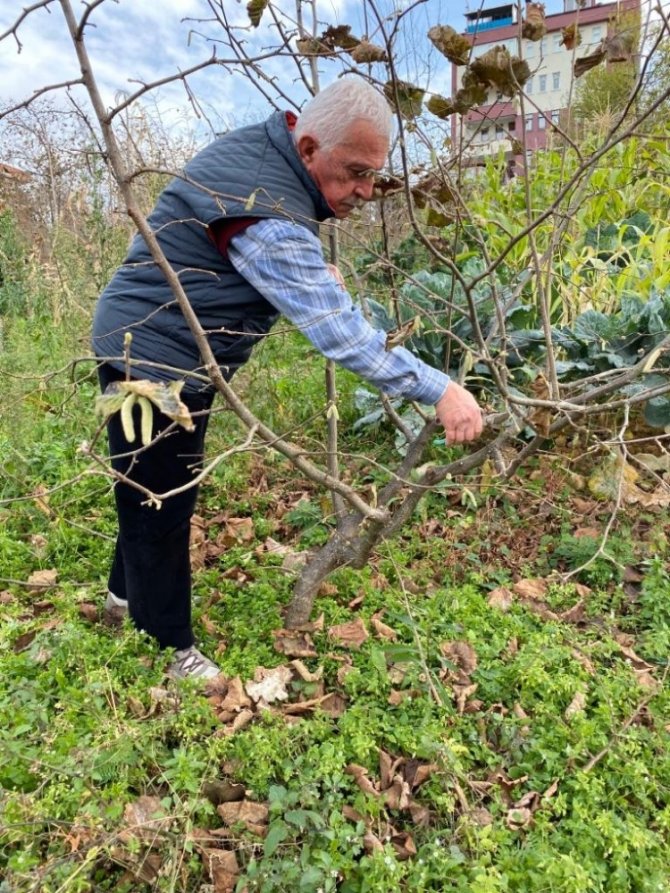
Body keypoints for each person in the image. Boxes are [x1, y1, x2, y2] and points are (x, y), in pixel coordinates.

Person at [92, 78, 483, 680]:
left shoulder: (267, 164)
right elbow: (342, 336)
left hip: (160, 343)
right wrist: (441, 389)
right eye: (354, 172)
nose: (364, 191)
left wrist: (304, 268)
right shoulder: (267, 203)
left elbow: (234, 255)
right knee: (160, 500)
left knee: (156, 487)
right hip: (150, 356)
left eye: (373, 175)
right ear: (307, 149)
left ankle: (121, 601)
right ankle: (166, 648)